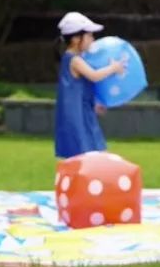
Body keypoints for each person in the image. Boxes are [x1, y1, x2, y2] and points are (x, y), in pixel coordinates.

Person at [54, 12, 127, 159]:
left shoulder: (75, 59)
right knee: (87, 155)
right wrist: (114, 67)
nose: (93, 40)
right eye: (89, 36)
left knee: (92, 154)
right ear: (76, 39)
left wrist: (94, 104)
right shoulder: (75, 60)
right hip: (77, 117)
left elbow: (80, 89)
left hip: (83, 112)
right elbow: (94, 76)